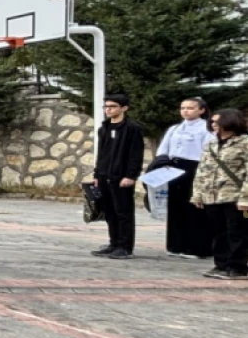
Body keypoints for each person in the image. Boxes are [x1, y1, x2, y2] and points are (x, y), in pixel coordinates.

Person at [191, 108, 248, 279]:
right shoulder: (211, 144)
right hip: (212, 195)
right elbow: (202, 171)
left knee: (237, 232)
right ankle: (221, 264)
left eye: (217, 121)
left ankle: (238, 267)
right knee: (218, 232)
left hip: (234, 196)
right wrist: (198, 194)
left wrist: (245, 198)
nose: (213, 124)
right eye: (212, 121)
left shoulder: (244, 143)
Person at [157, 98, 215, 259]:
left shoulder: (206, 129)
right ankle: (175, 245)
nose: (186, 111)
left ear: (201, 110)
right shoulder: (175, 128)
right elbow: (163, 149)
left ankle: (196, 247)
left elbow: (208, 151)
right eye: (183, 108)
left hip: (195, 168)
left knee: (194, 208)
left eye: (190, 108)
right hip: (173, 167)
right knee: (175, 207)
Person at [91, 94, 144, 260]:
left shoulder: (132, 128)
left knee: (124, 212)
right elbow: (102, 153)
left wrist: (131, 175)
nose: (108, 109)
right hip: (104, 175)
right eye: (106, 106)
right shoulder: (104, 128)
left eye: (113, 106)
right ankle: (114, 243)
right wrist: (97, 174)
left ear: (124, 108)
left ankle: (125, 246)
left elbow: (136, 154)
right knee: (109, 211)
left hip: (121, 177)